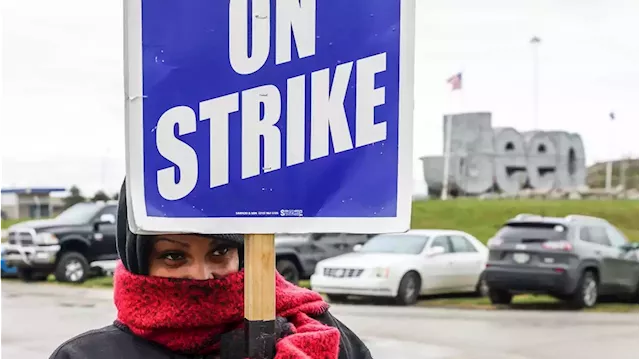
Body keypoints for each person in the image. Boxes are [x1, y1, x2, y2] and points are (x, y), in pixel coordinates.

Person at [49, 181, 372, 359]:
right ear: (140, 262)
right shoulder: (88, 357)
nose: (201, 275)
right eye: (174, 256)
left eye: (220, 252)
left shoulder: (314, 331)